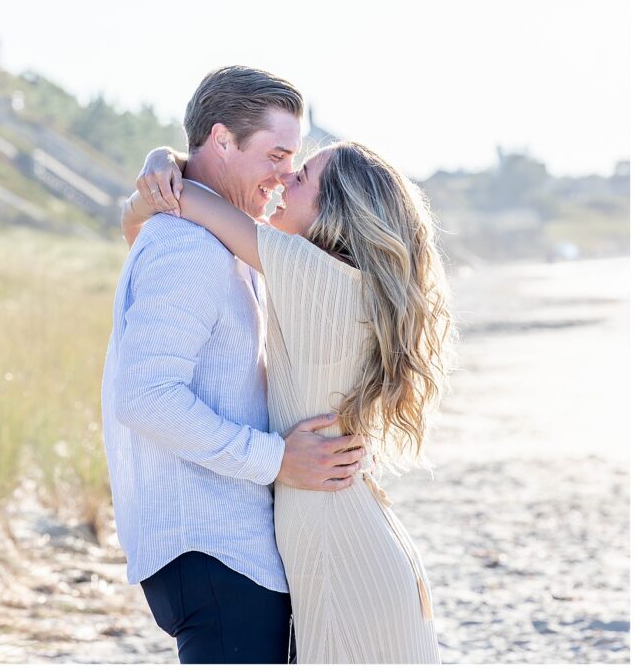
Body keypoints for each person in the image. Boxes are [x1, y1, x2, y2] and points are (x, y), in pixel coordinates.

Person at [128, 136, 455, 663]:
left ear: (333, 209)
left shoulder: (309, 272)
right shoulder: (351, 283)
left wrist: (161, 159)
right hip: (355, 535)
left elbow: (188, 197)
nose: (283, 181)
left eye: (300, 178)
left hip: (339, 547)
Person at [101, 66, 367, 666]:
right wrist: (277, 459)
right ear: (221, 140)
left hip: (225, 546)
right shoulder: (191, 245)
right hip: (215, 547)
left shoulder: (215, 234)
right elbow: (145, 397)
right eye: (276, 154)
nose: (282, 174)